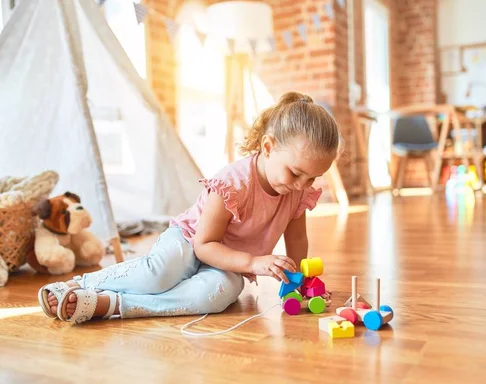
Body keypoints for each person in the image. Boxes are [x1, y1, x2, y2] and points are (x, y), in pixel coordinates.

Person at [37, 92, 342, 323]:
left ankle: (113, 305)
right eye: (295, 173)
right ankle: (81, 283)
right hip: (191, 240)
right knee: (160, 275)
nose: (303, 185)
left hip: (231, 261)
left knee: (214, 296)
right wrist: (253, 263)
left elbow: (297, 241)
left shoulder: (295, 193)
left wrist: (299, 282)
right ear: (268, 147)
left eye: (313, 177)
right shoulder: (233, 183)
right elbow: (204, 244)